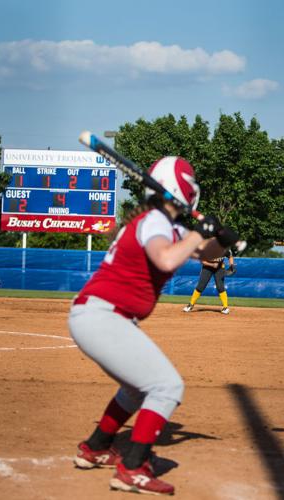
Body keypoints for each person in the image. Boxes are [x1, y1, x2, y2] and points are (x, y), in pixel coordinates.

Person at [68, 156, 239, 495]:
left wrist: (222, 239)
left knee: (135, 389)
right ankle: (132, 468)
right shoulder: (156, 223)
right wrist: (196, 235)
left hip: (101, 317)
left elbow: (205, 253)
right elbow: (166, 258)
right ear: (185, 191)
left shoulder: (164, 225)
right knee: (166, 387)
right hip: (104, 316)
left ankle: (97, 446)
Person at [182, 248, 235, 314]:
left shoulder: (224, 249)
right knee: (200, 286)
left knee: (220, 287)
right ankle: (190, 305)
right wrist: (212, 265)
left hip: (219, 268)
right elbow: (202, 261)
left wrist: (232, 265)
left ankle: (225, 307)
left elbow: (230, 256)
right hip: (207, 267)